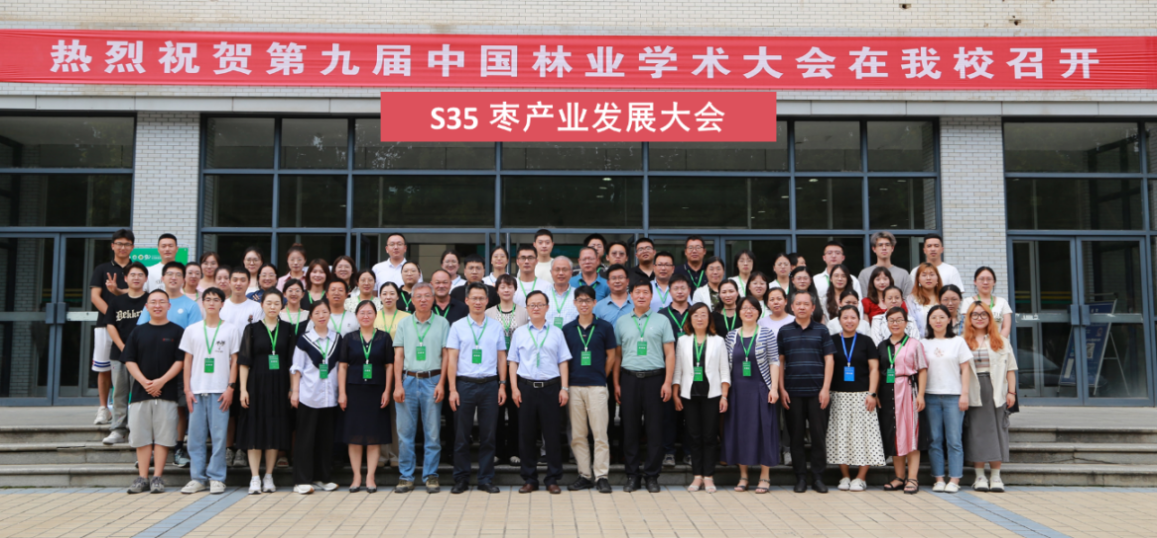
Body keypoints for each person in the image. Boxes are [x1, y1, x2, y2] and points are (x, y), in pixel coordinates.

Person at [137, 261, 205, 469]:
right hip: (152, 367)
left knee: (179, 408)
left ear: (184, 279)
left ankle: (177, 448)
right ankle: (150, 450)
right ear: (163, 278)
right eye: (170, 274)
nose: (173, 278)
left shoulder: (191, 306)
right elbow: (141, 332)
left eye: (178, 274)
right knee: (152, 409)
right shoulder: (153, 302)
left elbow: (195, 337)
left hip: (180, 366)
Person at [614, 280, 676, 493]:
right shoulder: (621, 322)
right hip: (629, 379)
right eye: (637, 292)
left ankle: (652, 476)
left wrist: (668, 382)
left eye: (645, 292)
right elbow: (617, 356)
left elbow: (670, 353)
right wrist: (616, 383)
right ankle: (632, 475)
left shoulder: (662, 320)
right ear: (631, 295)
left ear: (651, 296)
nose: (641, 296)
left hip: (655, 380)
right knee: (629, 429)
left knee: (654, 429)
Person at [122, 289, 186, 494]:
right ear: (146, 306)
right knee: (141, 437)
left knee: (163, 437)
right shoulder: (137, 331)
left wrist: (161, 382)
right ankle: (142, 477)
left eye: (161, 302)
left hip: (167, 394)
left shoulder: (177, 331)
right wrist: (144, 382)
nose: (157, 305)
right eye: (153, 302)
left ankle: (158, 477)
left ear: (169, 306)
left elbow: (180, 361)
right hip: (140, 394)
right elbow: (129, 360)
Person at [179, 287, 241, 495]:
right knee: (195, 438)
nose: (212, 302)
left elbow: (235, 361)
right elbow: (187, 361)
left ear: (223, 303)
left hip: (220, 391)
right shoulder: (192, 330)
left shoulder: (231, 329)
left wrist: (231, 387)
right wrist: (187, 389)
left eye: (216, 299)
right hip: (196, 390)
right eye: (208, 299)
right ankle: (197, 478)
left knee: (219, 437)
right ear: (202, 303)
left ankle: (217, 477)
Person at [446, 283, 507, 494]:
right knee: (461, 436)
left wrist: (502, 385)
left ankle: (485, 478)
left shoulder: (496, 327)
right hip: (464, 384)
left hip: (490, 385)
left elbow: (502, 357)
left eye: (482, 298)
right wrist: (452, 389)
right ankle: (461, 478)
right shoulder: (457, 326)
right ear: (467, 301)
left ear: (487, 301)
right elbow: (452, 359)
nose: (478, 302)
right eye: (474, 298)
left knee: (488, 436)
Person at [509, 290, 571, 494]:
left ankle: (552, 478)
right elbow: (513, 362)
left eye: (540, 304)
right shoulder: (519, 333)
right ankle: (529, 479)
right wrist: (514, 388)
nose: (536, 308)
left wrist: (564, 388)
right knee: (526, 434)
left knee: (552, 435)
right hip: (526, 388)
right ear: (526, 308)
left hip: (551, 388)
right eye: (532, 305)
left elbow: (563, 362)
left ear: (547, 307)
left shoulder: (556, 332)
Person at [392, 283, 450, 494]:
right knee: (405, 433)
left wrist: (442, 383)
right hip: (408, 380)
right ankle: (406, 476)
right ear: (412, 300)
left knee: (432, 433)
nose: (423, 299)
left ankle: (431, 475)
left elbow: (446, 355)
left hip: (432, 380)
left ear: (433, 299)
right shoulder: (404, 323)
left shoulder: (442, 323)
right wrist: (398, 384)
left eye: (427, 296)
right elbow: (398, 356)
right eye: (419, 296)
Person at [238, 289, 296, 495]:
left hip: (280, 386)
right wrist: (243, 389)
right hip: (256, 385)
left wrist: (292, 388)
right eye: (269, 303)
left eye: (276, 303)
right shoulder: (252, 329)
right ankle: (255, 477)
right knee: (255, 429)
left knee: (274, 429)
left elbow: (292, 363)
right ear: (261, 305)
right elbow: (244, 362)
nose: (272, 307)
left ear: (282, 306)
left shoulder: (289, 329)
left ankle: (269, 476)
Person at [777, 291, 835, 494]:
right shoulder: (784, 331)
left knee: (818, 437)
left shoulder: (822, 330)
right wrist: (781, 389)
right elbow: (780, 362)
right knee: (796, 437)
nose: (802, 307)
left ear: (813, 307)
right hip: (792, 393)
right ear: (792, 307)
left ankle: (818, 478)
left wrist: (826, 389)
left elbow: (829, 359)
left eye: (806, 304)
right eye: (798, 304)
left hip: (818, 393)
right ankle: (800, 477)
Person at [723, 296, 781, 494]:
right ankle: (743, 476)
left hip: (760, 389)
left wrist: (774, 388)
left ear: (758, 312)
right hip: (737, 391)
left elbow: (774, 361)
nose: (748, 311)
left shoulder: (766, 333)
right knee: (739, 431)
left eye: (752, 308)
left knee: (764, 430)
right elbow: (726, 366)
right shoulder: (731, 336)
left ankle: (765, 477)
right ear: (738, 312)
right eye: (744, 308)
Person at [562, 285, 616, 494]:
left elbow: (611, 356)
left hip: (597, 387)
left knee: (600, 433)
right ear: (574, 303)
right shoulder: (567, 329)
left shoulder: (605, 327)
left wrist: (601, 375)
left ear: (594, 303)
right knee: (578, 434)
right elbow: (564, 360)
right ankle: (584, 475)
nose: (583, 304)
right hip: (574, 387)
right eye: (580, 300)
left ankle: (601, 476)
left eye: (587, 300)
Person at [826, 305, 885, 492]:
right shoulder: (832, 340)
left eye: (853, 317)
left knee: (865, 436)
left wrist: (872, 393)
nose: (849, 321)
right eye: (845, 317)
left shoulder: (866, 341)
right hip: (837, 395)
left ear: (859, 320)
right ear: (839, 320)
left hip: (863, 396)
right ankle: (845, 476)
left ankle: (861, 477)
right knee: (840, 436)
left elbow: (874, 369)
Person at [338, 300, 395, 494]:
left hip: (376, 391)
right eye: (362, 312)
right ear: (356, 316)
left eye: (369, 312)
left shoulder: (384, 337)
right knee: (354, 436)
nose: (365, 316)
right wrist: (342, 392)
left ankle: (370, 476)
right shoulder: (349, 338)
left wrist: (387, 390)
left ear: (375, 315)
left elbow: (389, 366)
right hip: (354, 391)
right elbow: (342, 366)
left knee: (374, 436)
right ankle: (356, 476)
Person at [673, 303, 728, 493]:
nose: (699, 318)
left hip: (712, 395)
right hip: (689, 395)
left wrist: (724, 396)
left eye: (703, 314)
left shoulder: (718, 341)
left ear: (709, 318)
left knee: (710, 436)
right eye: (695, 315)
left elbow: (724, 370)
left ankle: (709, 476)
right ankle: (697, 476)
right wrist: (675, 394)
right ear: (690, 318)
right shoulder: (683, 341)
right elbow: (678, 370)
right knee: (694, 436)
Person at [963, 302, 1018, 493]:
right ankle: (979, 476)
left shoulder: (1001, 340)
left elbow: (1011, 368)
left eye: (983, 314)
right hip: (973, 390)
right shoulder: (962, 341)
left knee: (998, 431)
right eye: (975, 314)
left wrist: (1011, 392)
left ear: (990, 317)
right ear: (969, 318)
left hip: (996, 390)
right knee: (976, 432)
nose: (979, 318)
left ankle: (996, 476)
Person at [289, 299, 341, 494]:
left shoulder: (337, 338)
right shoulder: (305, 340)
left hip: (329, 397)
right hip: (309, 396)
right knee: (305, 440)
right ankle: (301, 480)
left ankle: (322, 478)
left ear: (330, 314)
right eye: (317, 312)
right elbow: (296, 367)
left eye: (324, 312)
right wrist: (295, 392)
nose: (321, 316)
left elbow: (341, 367)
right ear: (311, 316)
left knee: (325, 440)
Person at [876, 306, 929, 495]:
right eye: (891, 320)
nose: (895, 323)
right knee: (894, 434)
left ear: (906, 322)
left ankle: (912, 478)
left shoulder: (914, 344)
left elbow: (922, 369)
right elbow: (878, 372)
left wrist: (920, 394)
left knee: (911, 434)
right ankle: (899, 477)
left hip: (908, 390)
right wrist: (876, 393)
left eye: (899, 320)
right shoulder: (882, 346)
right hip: (888, 393)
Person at [922, 304, 973, 494]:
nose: (938, 320)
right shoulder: (923, 343)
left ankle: (954, 479)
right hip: (931, 396)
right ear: (929, 321)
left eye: (942, 317)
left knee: (954, 439)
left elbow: (965, 369)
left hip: (954, 396)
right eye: (934, 317)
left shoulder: (958, 342)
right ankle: (938, 478)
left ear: (949, 320)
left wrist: (964, 394)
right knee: (934, 439)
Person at [90, 229, 134, 426]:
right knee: (104, 367)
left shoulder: (136, 269)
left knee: (131, 366)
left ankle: (130, 408)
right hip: (105, 325)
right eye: (119, 244)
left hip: (131, 325)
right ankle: (103, 408)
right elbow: (95, 297)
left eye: (127, 244)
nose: (123, 247)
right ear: (112, 246)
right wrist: (112, 315)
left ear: (132, 247)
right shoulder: (102, 269)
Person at [102, 261, 148, 445]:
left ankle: (138, 430)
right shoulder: (116, 301)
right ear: (126, 278)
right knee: (119, 394)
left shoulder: (151, 300)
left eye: (140, 275)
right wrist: (123, 346)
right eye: (132, 275)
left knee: (140, 394)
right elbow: (110, 325)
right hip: (119, 355)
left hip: (144, 356)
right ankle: (118, 430)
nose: (136, 278)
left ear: (146, 278)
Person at [487, 274, 528, 467]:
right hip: (494, 368)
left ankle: (514, 451)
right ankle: (497, 451)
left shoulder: (524, 313)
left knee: (516, 412)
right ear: (496, 290)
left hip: (518, 368)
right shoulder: (488, 313)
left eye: (509, 286)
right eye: (502, 286)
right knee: (495, 411)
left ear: (515, 289)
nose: (506, 290)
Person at [374, 281, 411, 469]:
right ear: (379, 296)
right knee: (379, 413)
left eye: (392, 293)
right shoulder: (373, 316)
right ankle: (381, 454)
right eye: (384, 293)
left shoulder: (407, 317)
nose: (388, 297)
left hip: (401, 370)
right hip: (377, 370)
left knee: (398, 415)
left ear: (398, 296)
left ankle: (396, 454)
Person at [961, 267, 1012, 339]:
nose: (985, 282)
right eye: (981, 279)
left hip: (997, 343)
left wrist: (998, 342)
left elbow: (1006, 327)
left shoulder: (1002, 302)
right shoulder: (968, 302)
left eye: (989, 279)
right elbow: (966, 326)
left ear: (994, 282)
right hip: (975, 343)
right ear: (975, 282)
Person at [858, 231, 913, 298]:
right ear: (874, 249)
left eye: (887, 245)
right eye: (880, 245)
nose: (884, 248)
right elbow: (863, 300)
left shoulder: (903, 274)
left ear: (892, 248)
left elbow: (908, 300)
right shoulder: (864, 274)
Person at [908, 262, 943, 337]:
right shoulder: (911, 299)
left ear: (937, 278)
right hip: (919, 340)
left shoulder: (943, 298)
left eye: (932, 274)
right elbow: (910, 324)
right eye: (924, 275)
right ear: (918, 279)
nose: (928, 278)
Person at [546, 256, 578, 328]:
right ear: (551, 272)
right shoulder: (543, 295)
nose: (561, 273)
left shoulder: (578, 295)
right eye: (557, 270)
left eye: (565, 270)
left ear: (571, 272)